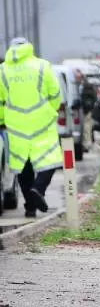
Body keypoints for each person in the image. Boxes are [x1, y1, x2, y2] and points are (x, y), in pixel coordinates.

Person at [0, 37, 63, 218]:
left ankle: (30, 206)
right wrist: (51, 110)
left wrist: (3, 120)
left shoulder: (3, 70)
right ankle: (39, 189)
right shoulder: (42, 66)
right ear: (29, 47)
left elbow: (1, 100)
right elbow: (55, 93)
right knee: (50, 160)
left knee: (23, 166)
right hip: (42, 123)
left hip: (16, 126)